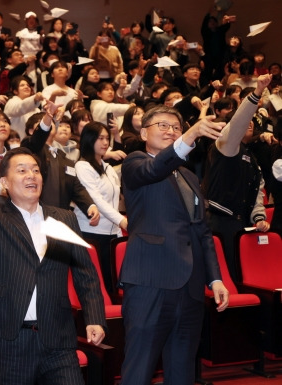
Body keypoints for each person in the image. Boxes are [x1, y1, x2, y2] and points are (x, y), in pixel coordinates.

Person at [0, 146, 106, 385]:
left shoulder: (64, 217)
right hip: (11, 337)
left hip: (58, 335)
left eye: (36, 170)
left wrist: (94, 317)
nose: (31, 176)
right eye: (22, 170)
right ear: (4, 181)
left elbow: (85, 272)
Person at [120, 105, 229, 385]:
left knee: (182, 370)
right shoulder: (135, 162)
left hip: (190, 287)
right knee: (139, 367)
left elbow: (202, 231)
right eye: (163, 126)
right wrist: (190, 136)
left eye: (177, 127)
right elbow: (156, 168)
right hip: (150, 281)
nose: (171, 131)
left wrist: (215, 278)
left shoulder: (189, 176)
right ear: (144, 132)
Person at [202, 74, 272, 281]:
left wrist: (259, 217)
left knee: (242, 278)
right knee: (222, 279)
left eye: (252, 122)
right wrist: (257, 93)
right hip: (218, 223)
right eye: (244, 122)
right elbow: (237, 124)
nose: (248, 123)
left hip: (240, 225)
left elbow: (258, 192)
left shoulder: (251, 158)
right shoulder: (225, 147)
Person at [75, 122, 127, 294]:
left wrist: (118, 230)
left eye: (107, 138)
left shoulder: (107, 167)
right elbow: (96, 200)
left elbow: (114, 201)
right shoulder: (82, 166)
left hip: (111, 234)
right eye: (100, 138)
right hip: (92, 232)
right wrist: (122, 221)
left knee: (112, 282)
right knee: (97, 285)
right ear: (89, 140)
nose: (105, 142)